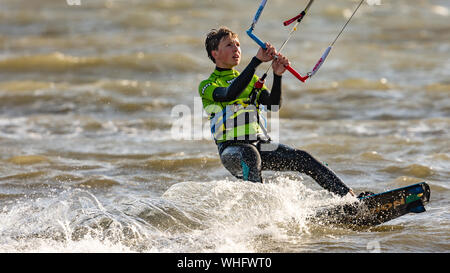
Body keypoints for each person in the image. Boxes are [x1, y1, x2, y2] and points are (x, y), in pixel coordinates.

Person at [198, 27, 354, 197]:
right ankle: (258, 210)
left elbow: (273, 105)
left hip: (259, 144)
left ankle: (349, 198)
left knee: (303, 158)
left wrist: (277, 76)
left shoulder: (252, 80)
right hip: (232, 150)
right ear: (215, 53)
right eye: (229, 45)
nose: (236, 49)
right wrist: (256, 61)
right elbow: (229, 94)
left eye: (238, 44)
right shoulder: (208, 84)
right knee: (250, 154)